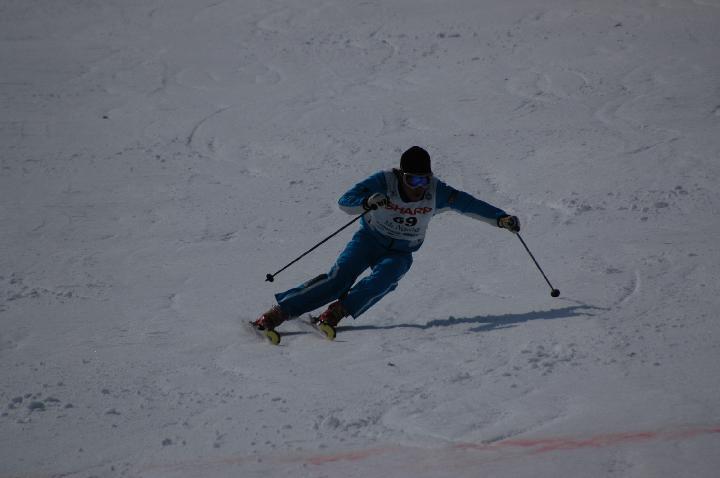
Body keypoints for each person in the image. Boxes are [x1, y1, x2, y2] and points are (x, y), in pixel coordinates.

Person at [254, 146, 520, 333]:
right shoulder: (384, 181)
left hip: (401, 251)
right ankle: (279, 312)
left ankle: (336, 313)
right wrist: (367, 201)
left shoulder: (436, 192)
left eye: (424, 180)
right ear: (402, 175)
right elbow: (345, 201)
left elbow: (469, 204)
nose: (419, 187)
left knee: (386, 278)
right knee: (338, 279)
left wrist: (501, 218)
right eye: (413, 180)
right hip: (368, 240)